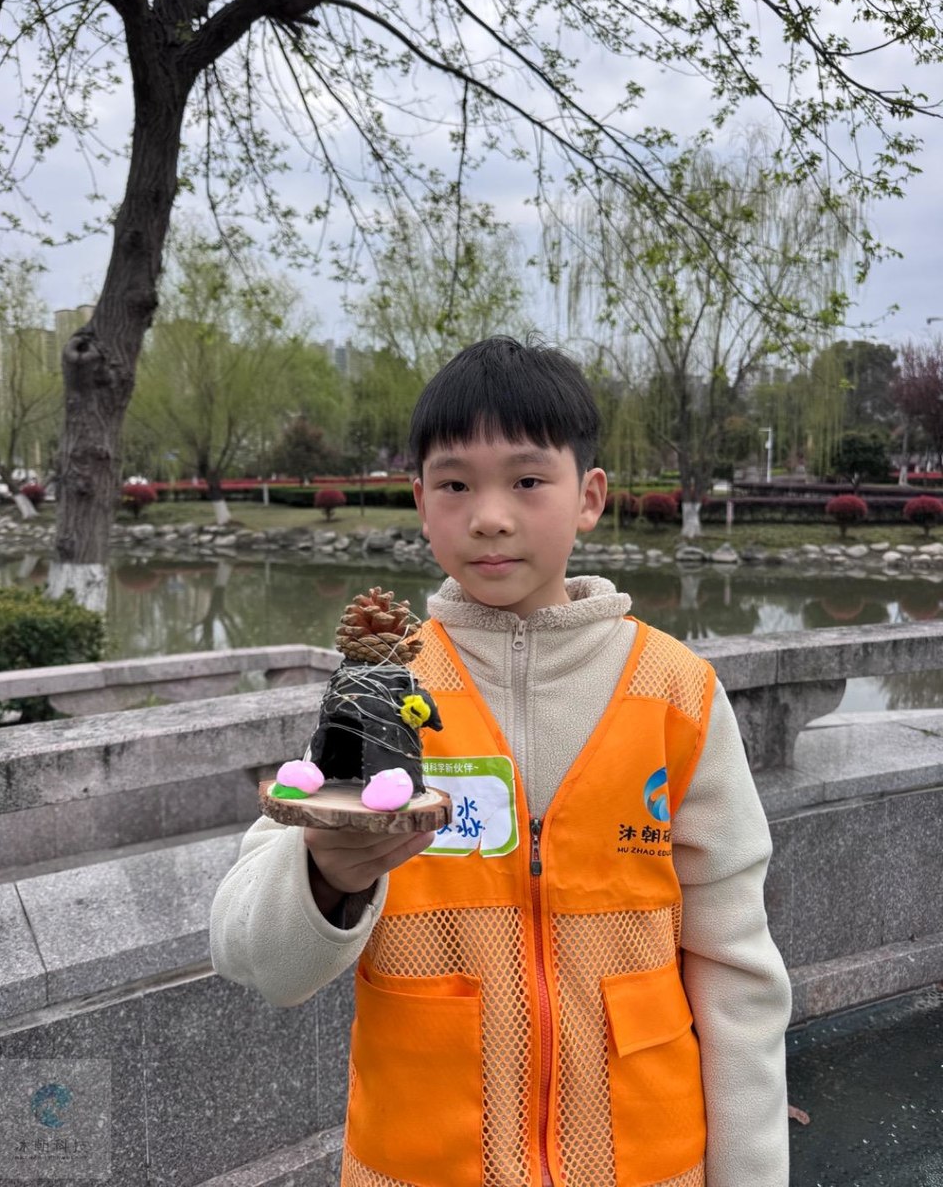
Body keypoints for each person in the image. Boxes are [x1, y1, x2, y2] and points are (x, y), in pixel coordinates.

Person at [210, 337, 791, 1187]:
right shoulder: (384, 690)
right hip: (421, 1165)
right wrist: (327, 875)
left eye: (526, 481)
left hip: (649, 1163)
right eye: (455, 485)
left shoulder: (678, 693)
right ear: (420, 502)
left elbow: (737, 970)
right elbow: (251, 955)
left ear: (588, 497)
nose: (489, 516)